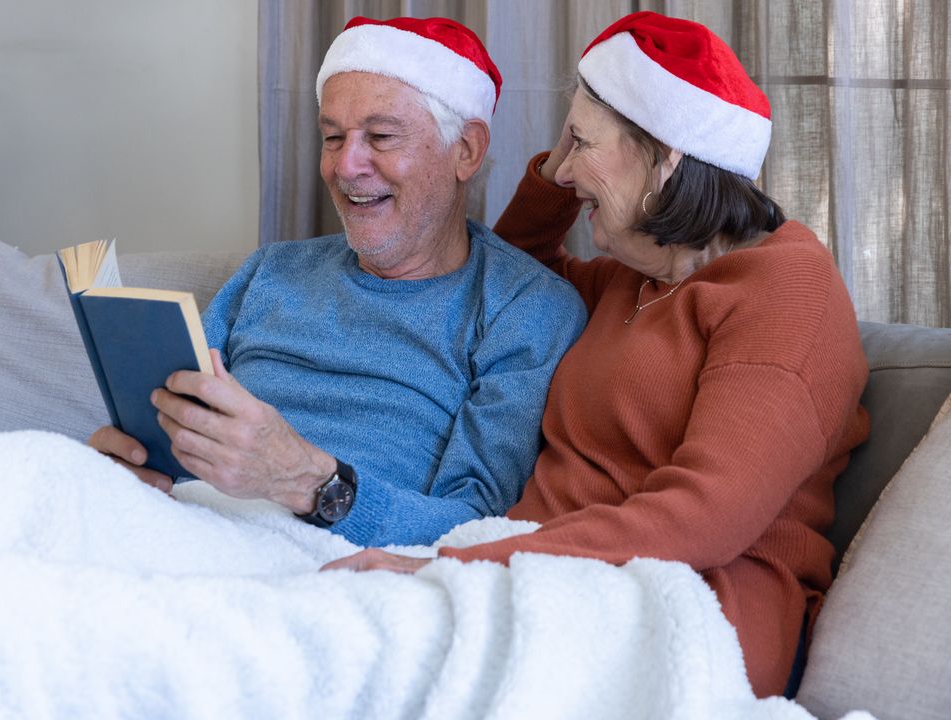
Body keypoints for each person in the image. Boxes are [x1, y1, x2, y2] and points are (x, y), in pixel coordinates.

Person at [323, 11, 870, 698]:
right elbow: (500, 278)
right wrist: (563, 168)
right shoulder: (632, 283)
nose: (565, 169)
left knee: (349, 645)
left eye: (581, 144)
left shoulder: (785, 290)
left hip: (692, 602)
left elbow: (706, 515)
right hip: (540, 567)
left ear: (668, 158)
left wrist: (460, 567)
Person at [88, 16, 587, 548]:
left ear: (465, 149)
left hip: (335, 561)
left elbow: (475, 528)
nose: (346, 167)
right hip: (181, 524)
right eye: (332, 137)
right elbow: (175, 422)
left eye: (381, 136)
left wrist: (309, 481)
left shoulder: (524, 309)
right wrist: (129, 463)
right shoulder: (270, 272)